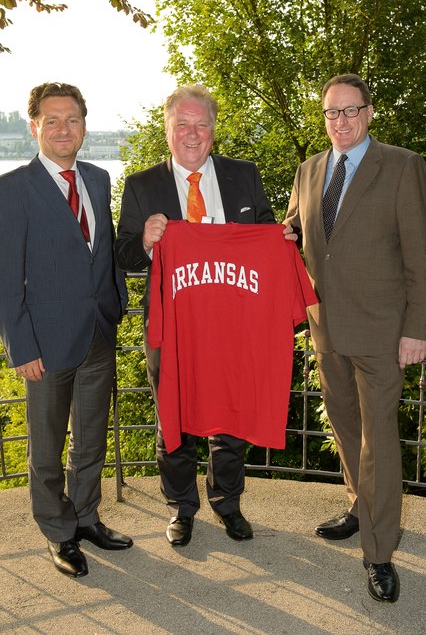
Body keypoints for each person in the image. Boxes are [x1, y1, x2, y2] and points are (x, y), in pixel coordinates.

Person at [115, 84, 279, 547]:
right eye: (182, 125)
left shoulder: (243, 176)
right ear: (167, 131)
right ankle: (181, 507)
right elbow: (123, 254)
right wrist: (145, 241)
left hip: (233, 324)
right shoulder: (142, 185)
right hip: (170, 327)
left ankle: (227, 502)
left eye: (201, 124)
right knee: (174, 417)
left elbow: (266, 233)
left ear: (213, 130)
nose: (192, 134)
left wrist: (284, 241)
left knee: (230, 413)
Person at [284, 73, 426, 603]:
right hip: (326, 327)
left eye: (349, 111)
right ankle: (358, 505)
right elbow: (296, 230)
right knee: (345, 426)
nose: (339, 122)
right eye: (330, 113)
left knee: (380, 442)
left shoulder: (403, 166)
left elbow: (420, 256)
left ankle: (380, 551)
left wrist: (417, 329)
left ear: (369, 113)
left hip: (384, 333)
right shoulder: (309, 170)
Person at [0, 82, 133, 579]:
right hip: (45, 343)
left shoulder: (98, 178)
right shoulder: (12, 189)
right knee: (47, 446)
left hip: (98, 332)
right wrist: (21, 344)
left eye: (72, 119)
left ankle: (85, 516)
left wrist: (116, 303)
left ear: (84, 125)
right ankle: (58, 532)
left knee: (92, 439)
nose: (63, 129)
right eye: (51, 120)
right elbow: (6, 276)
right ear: (34, 126)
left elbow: (105, 249)